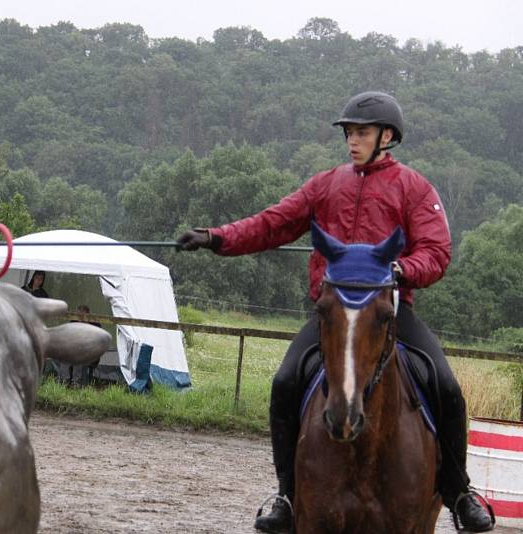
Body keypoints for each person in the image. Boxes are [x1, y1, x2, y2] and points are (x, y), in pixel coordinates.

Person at [178, 91, 494, 533]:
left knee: (446, 385)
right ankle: (287, 496)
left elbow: (437, 253)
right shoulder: (326, 184)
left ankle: (459, 492)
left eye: (361, 132)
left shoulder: (414, 188)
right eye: (349, 133)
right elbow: (272, 223)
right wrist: (216, 238)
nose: (352, 140)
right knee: (286, 380)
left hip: (388, 314)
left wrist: (402, 268)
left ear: (387, 137)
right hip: (333, 316)